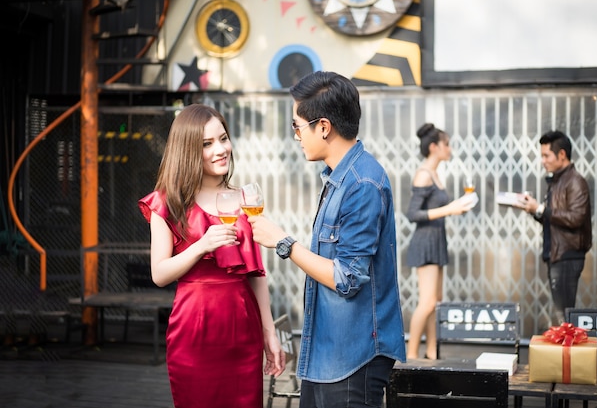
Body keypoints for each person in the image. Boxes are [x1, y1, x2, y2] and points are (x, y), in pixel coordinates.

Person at [248, 71, 406, 408]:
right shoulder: (340, 177)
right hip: (327, 351)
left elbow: (347, 278)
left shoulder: (363, 183)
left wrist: (283, 242)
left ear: (323, 127)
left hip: (354, 355)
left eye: (297, 126)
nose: (295, 136)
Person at [137, 104, 285, 408]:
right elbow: (160, 274)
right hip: (194, 329)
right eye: (207, 144)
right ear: (188, 150)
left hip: (243, 328)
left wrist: (270, 334)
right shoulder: (167, 203)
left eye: (223, 138)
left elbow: (256, 274)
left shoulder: (246, 200)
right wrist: (201, 246)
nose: (221, 149)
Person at [405, 123, 474, 360]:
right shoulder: (424, 174)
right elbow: (412, 214)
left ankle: (432, 353)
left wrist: (456, 209)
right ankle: (411, 356)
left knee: (436, 302)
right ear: (434, 147)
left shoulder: (434, 173)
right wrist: (449, 209)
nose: (450, 148)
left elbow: (439, 209)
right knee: (427, 302)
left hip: (436, 240)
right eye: (447, 143)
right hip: (425, 242)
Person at [516, 130, 592, 325]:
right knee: (563, 314)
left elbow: (575, 219)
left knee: (564, 315)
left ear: (561, 155)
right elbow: (553, 219)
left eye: (546, 155)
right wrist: (534, 210)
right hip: (556, 254)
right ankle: (565, 353)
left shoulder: (575, 181)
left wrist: (541, 208)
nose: (543, 161)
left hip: (567, 255)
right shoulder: (557, 182)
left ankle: (567, 354)